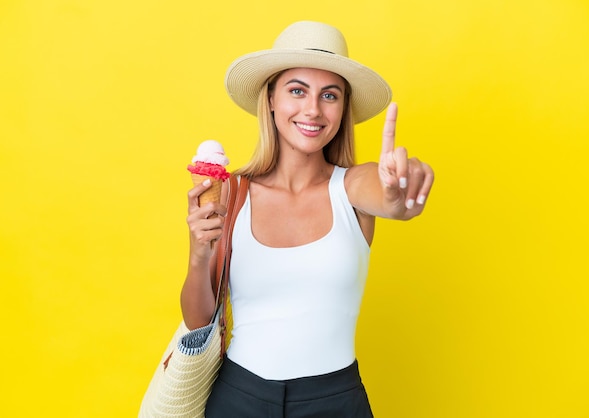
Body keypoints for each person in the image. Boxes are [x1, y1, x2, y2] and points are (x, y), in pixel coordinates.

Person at [181, 21, 434, 417]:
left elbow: (387, 196)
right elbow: (199, 323)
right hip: (238, 398)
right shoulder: (229, 193)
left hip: (335, 402)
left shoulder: (352, 188)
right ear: (270, 99)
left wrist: (399, 192)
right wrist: (198, 256)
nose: (313, 109)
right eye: (297, 90)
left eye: (329, 95)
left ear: (342, 108)